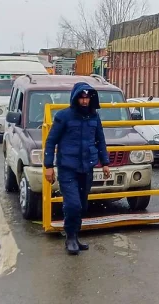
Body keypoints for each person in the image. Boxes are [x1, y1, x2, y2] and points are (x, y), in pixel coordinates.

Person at [43, 82, 110, 255]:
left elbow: (100, 141)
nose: (85, 101)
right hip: (68, 168)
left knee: (82, 205)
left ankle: (75, 235)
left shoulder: (94, 117)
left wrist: (105, 163)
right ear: (75, 98)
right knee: (72, 204)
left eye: (87, 97)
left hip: (87, 168)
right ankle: (70, 238)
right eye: (82, 97)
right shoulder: (63, 116)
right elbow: (51, 142)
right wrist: (48, 166)